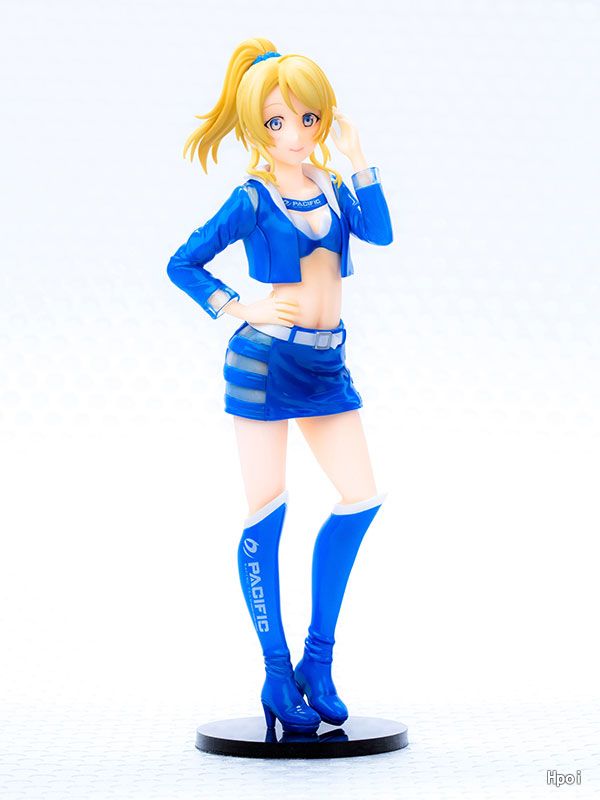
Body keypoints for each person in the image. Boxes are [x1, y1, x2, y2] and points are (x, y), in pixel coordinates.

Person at [167, 38, 393, 733]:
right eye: (276, 122)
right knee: (268, 509)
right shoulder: (251, 197)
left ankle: (317, 662)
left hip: (327, 365)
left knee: (361, 497)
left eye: (307, 118)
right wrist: (241, 307)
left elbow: (380, 233)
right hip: (264, 364)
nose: (295, 134)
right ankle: (275, 673)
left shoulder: (330, 184)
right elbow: (183, 263)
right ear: (254, 127)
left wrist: (357, 158)